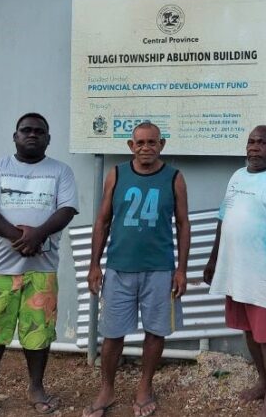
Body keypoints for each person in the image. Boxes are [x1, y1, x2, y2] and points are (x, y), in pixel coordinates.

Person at [0, 113, 79, 417]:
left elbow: (67, 209)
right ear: (15, 136)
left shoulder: (60, 171)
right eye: (25, 130)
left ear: (48, 139)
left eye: (39, 131)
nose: (32, 135)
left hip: (42, 268)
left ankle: (36, 387)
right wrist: (21, 237)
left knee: (39, 333)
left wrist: (38, 235)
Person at [85, 122, 191, 417]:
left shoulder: (175, 178)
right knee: (112, 334)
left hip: (160, 270)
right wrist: (95, 264)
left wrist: (181, 269)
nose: (146, 148)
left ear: (162, 145)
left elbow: (183, 225)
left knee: (156, 331)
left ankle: (145, 386)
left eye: (152, 142)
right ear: (131, 146)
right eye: (140, 142)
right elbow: (103, 221)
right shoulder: (117, 174)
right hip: (119, 268)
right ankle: (107, 388)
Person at [204, 125, 266, 417]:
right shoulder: (237, 176)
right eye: (251, 142)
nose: (255, 147)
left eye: (263, 143)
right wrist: (214, 260)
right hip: (237, 272)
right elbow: (223, 220)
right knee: (250, 331)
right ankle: (263, 383)